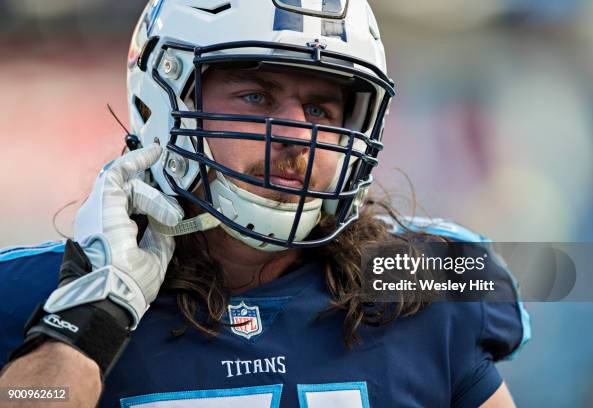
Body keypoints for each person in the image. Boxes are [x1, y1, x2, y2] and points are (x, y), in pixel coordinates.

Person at [0, 1, 530, 407]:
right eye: (256, 97)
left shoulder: (422, 281)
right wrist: (87, 323)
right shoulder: (33, 298)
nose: (298, 135)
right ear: (165, 101)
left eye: (321, 108)